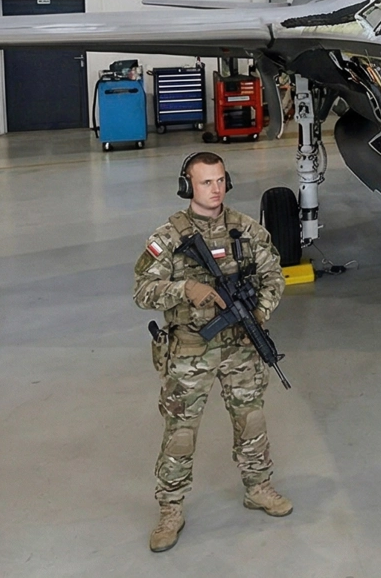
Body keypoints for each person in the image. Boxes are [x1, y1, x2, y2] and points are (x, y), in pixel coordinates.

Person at [134, 150, 289, 552]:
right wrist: (185, 288)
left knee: (251, 419)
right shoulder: (169, 237)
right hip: (191, 350)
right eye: (206, 182)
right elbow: (143, 291)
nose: (216, 189)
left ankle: (258, 487)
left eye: (220, 180)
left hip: (241, 346)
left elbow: (274, 274)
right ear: (187, 186)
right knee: (180, 432)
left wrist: (259, 311)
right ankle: (170, 509)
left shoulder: (246, 229)